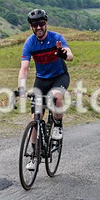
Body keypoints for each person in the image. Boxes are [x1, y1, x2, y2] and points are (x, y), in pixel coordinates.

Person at [17, 9, 74, 170]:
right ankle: (34, 154)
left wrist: (63, 54)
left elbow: (70, 55)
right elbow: (24, 68)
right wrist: (21, 88)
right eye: (35, 25)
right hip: (41, 80)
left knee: (57, 97)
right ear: (31, 27)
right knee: (35, 117)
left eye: (41, 24)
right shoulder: (30, 43)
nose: (38, 27)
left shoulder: (56, 38)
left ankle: (57, 125)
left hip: (59, 76)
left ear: (46, 24)